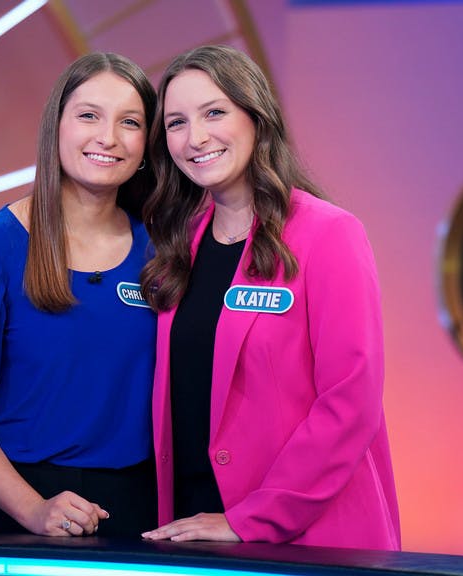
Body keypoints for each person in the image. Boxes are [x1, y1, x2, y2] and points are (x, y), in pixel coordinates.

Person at [138, 45, 400, 549]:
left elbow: (350, 402)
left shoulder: (329, 233)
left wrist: (251, 518)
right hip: (193, 533)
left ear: (257, 118)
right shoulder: (178, 244)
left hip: (308, 539)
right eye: (175, 122)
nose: (196, 137)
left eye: (214, 112)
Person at [0, 53, 157, 538]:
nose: (107, 137)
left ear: (147, 144)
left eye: (129, 122)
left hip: (140, 512)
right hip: (17, 510)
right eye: (89, 115)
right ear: (57, 128)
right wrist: (32, 509)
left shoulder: (165, 248)